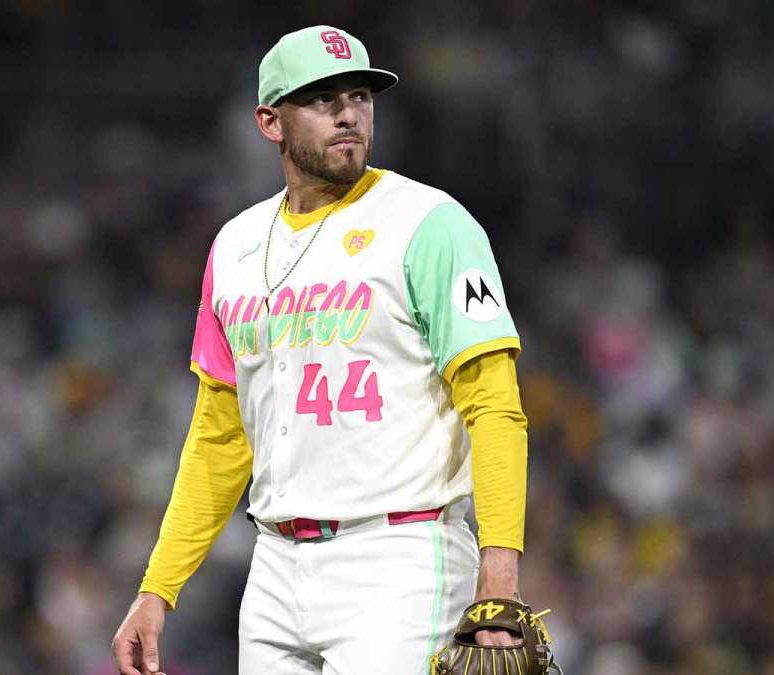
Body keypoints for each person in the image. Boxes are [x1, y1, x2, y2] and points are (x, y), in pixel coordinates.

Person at [112, 25, 529, 675]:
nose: (347, 111)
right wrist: (157, 589)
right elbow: (220, 435)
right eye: (322, 97)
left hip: (400, 555)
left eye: (361, 94)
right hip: (275, 565)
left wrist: (500, 578)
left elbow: (495, 406)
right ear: (269, 121)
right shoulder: (234, 247)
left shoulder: (429, 224)